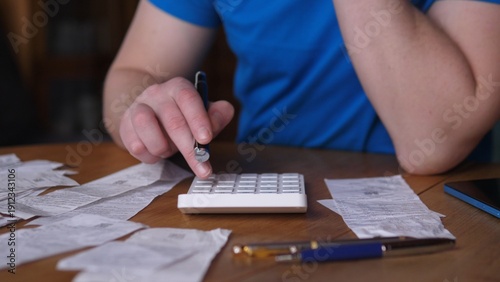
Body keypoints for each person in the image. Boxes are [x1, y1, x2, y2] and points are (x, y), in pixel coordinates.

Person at [103, 0, 500, 178]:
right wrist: (144, 113)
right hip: (261, 191)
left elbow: (432, 144)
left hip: (431, 213)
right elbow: (132, 72)